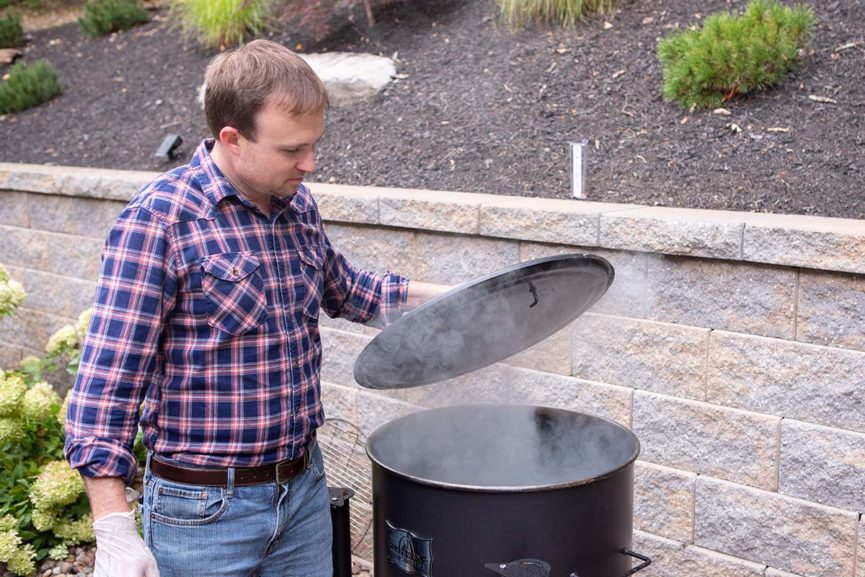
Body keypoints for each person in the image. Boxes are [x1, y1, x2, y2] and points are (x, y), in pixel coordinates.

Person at [65, 39, 442, 577]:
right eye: (292, 150)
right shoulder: (160, 222)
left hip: (302, 495)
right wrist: (114, 528)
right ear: (232, 139)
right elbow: (107, 382)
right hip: (204, 515)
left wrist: (467, 299)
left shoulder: (296, 206)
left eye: (314, 144)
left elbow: (351, 290)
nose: (309, 163)